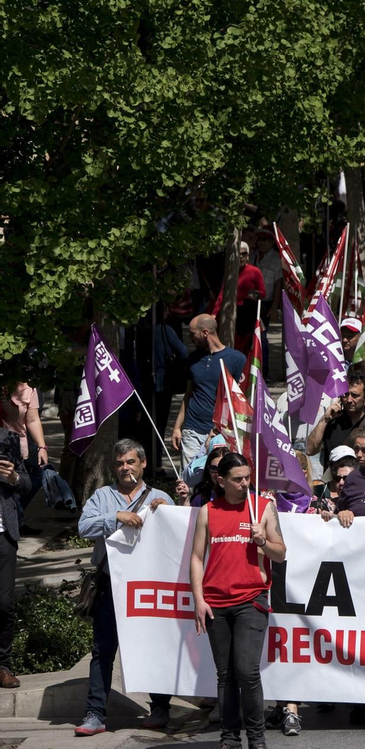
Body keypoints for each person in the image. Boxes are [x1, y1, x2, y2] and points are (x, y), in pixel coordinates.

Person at [187, 452, 286, 749]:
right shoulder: (207, 511)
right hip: (215, 602)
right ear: (221, 480)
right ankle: (229, 739)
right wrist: (198, 600)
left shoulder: (263, 508)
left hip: (251, 600)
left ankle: (256, 739)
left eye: (248, 477)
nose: (245, 484)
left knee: (247, 670)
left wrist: (262, 541)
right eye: (237, 479)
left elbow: (281, 553)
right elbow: (196, 557)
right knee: (225, 675)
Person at [75, 441, 174, 735]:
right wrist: (115, 517)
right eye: (119, 463)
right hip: (111, 583)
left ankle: (160, 708)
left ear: (143, 464)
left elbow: (180, 535)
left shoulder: (159, 497)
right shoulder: (103, 496)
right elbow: (83, 527)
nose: (124, 468)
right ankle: (95, 714)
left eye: (130, 462)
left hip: (149, 584)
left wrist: (168, 513)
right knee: (103, 650)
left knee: (153, 645)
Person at [172, 314, 246, 463]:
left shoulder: (237, 359)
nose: (190, 338)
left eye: (193, 334)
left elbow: (242, 400)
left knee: (219, 475)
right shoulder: (192, 360)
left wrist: (224, 429)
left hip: (221, 432)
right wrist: (177, 427)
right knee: (189, 479)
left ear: (205, 333)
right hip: (192, 429)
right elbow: (188, 395)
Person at [306, 370, 365, 470]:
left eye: (355, 395)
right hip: (337, 482)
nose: (349, 400)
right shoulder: (332, 422)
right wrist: (324, 420)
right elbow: (310, 450)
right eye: (345, 395)